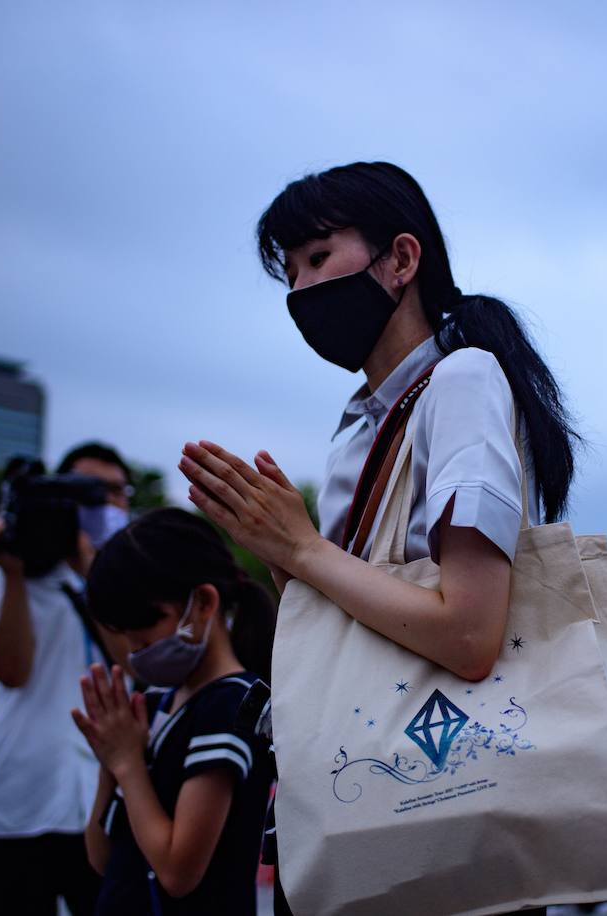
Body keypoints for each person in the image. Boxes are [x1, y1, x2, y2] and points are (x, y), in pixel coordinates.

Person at [177, 161, 581, 915]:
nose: (301, 290)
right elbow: (344, 608)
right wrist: (279, 552)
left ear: (402, 259)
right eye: (290, 271)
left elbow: (468, 633)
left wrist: (301, 550)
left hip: (432, 829)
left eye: (319, 257)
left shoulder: (461, 382)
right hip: (375, 825)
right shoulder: (359, 424)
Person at [72, 508, 276, 915]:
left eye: (144, 626)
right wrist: (109, 762)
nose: (135, 649)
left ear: (202, 603)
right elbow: (102, 857)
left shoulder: (232, 705)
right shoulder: (156, 703)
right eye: (123, 634)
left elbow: (178, 872)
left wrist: (128, 764)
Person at [0, 442, 133, 916]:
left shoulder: (129, 581)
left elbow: (134, 666)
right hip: (19, 795)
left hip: (98, 804)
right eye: (87, 491)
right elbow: (12, 672)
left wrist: (91, 572)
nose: (104, 503)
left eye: (115, 492)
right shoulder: (16, 572)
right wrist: (14, 573)